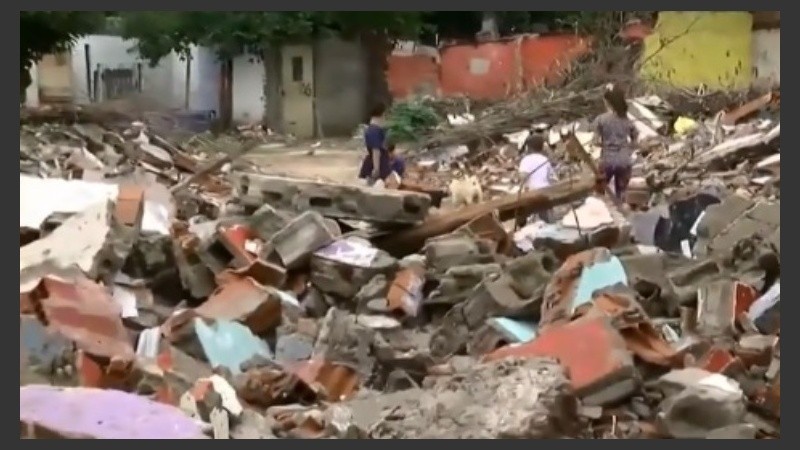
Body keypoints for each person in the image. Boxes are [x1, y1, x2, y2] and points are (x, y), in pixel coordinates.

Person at [593, 83, 638, 202]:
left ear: (607, 102)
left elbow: (595, 141)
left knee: (599, 192)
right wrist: (628, 148)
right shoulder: (626, 120)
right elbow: (635, 137)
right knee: (622, 193)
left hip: (607, 160)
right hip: (624, 160)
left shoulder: (601, 119)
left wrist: (603, 144)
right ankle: (623, 213)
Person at [518, 132, 556, 224]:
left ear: (528, 147)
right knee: (547, 219)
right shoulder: (545, 160)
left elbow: (523, 177)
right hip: (545, 193)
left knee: (523, 215)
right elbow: (552, 179)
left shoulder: (526, 160)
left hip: (533, 194)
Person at [358, 103, 390, 186]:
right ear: (382, 114)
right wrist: (376, 168)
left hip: (372, 161)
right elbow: (376, 150)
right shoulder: (375, 130)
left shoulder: (371, 129)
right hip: (379, 163)